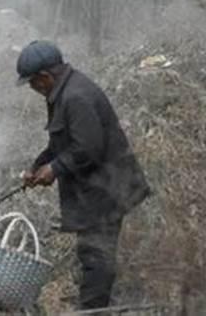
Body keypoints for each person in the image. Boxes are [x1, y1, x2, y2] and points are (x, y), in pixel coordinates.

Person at [17, 40, 150, 311]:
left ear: (44, 77)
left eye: (32, 83)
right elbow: (63, 143)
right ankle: (92, 307)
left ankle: (92, 310)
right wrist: (38, 165)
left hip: (108, 190)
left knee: (96, 258)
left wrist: (54, 169)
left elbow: (88, 147)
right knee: (92, 256)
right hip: (98, 189)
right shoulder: (63, 91)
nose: (32, 89)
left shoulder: (75, 96)